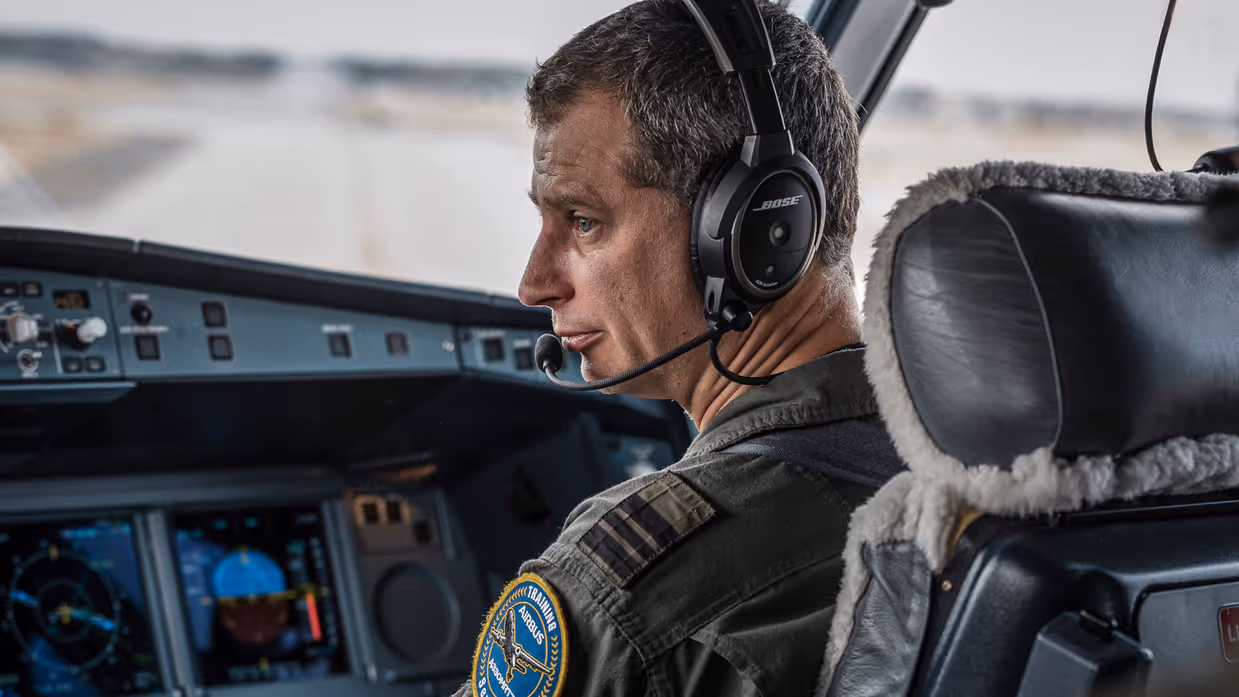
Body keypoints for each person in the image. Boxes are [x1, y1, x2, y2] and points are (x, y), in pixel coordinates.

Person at [459, 1, 904, 695]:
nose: (533, 285)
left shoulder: (627, 593)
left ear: (755, 231)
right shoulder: (967, 470)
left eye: (582, 221)